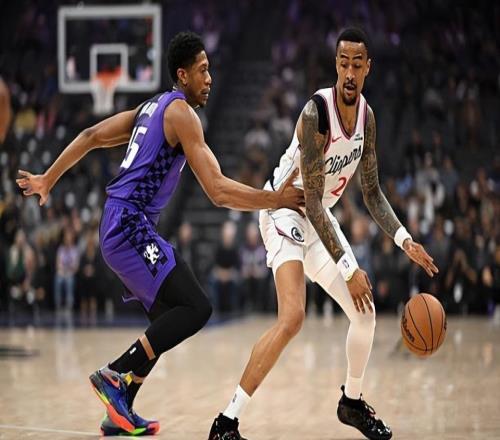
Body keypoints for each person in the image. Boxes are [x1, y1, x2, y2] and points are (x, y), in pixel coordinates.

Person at [16, 31, 303, 436]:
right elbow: (218, 191)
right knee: (197, 307)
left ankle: (119, 409)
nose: (210, 78)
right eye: (202, 70)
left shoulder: (149, 108)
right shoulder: (182, 114)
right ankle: (115, 374)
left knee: (168, 319)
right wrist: (275, 199)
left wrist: (49, 178)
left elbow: (90, 137)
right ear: (182, 75)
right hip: (128, 223)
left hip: (118, 223)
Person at [209, 27, 438, 440]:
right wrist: (349, 267)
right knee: (293, 317)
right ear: (336, 65)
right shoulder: (317, 113)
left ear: (368, 68)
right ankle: (226, 422)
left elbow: (372, 192)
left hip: (318, 219)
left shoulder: (367, 118)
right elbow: (311, 202)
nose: (349, 72)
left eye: (357, 64)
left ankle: (352, 402)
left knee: (365, 314)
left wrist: (405, 239)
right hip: (284, 209)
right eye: (343, 63)